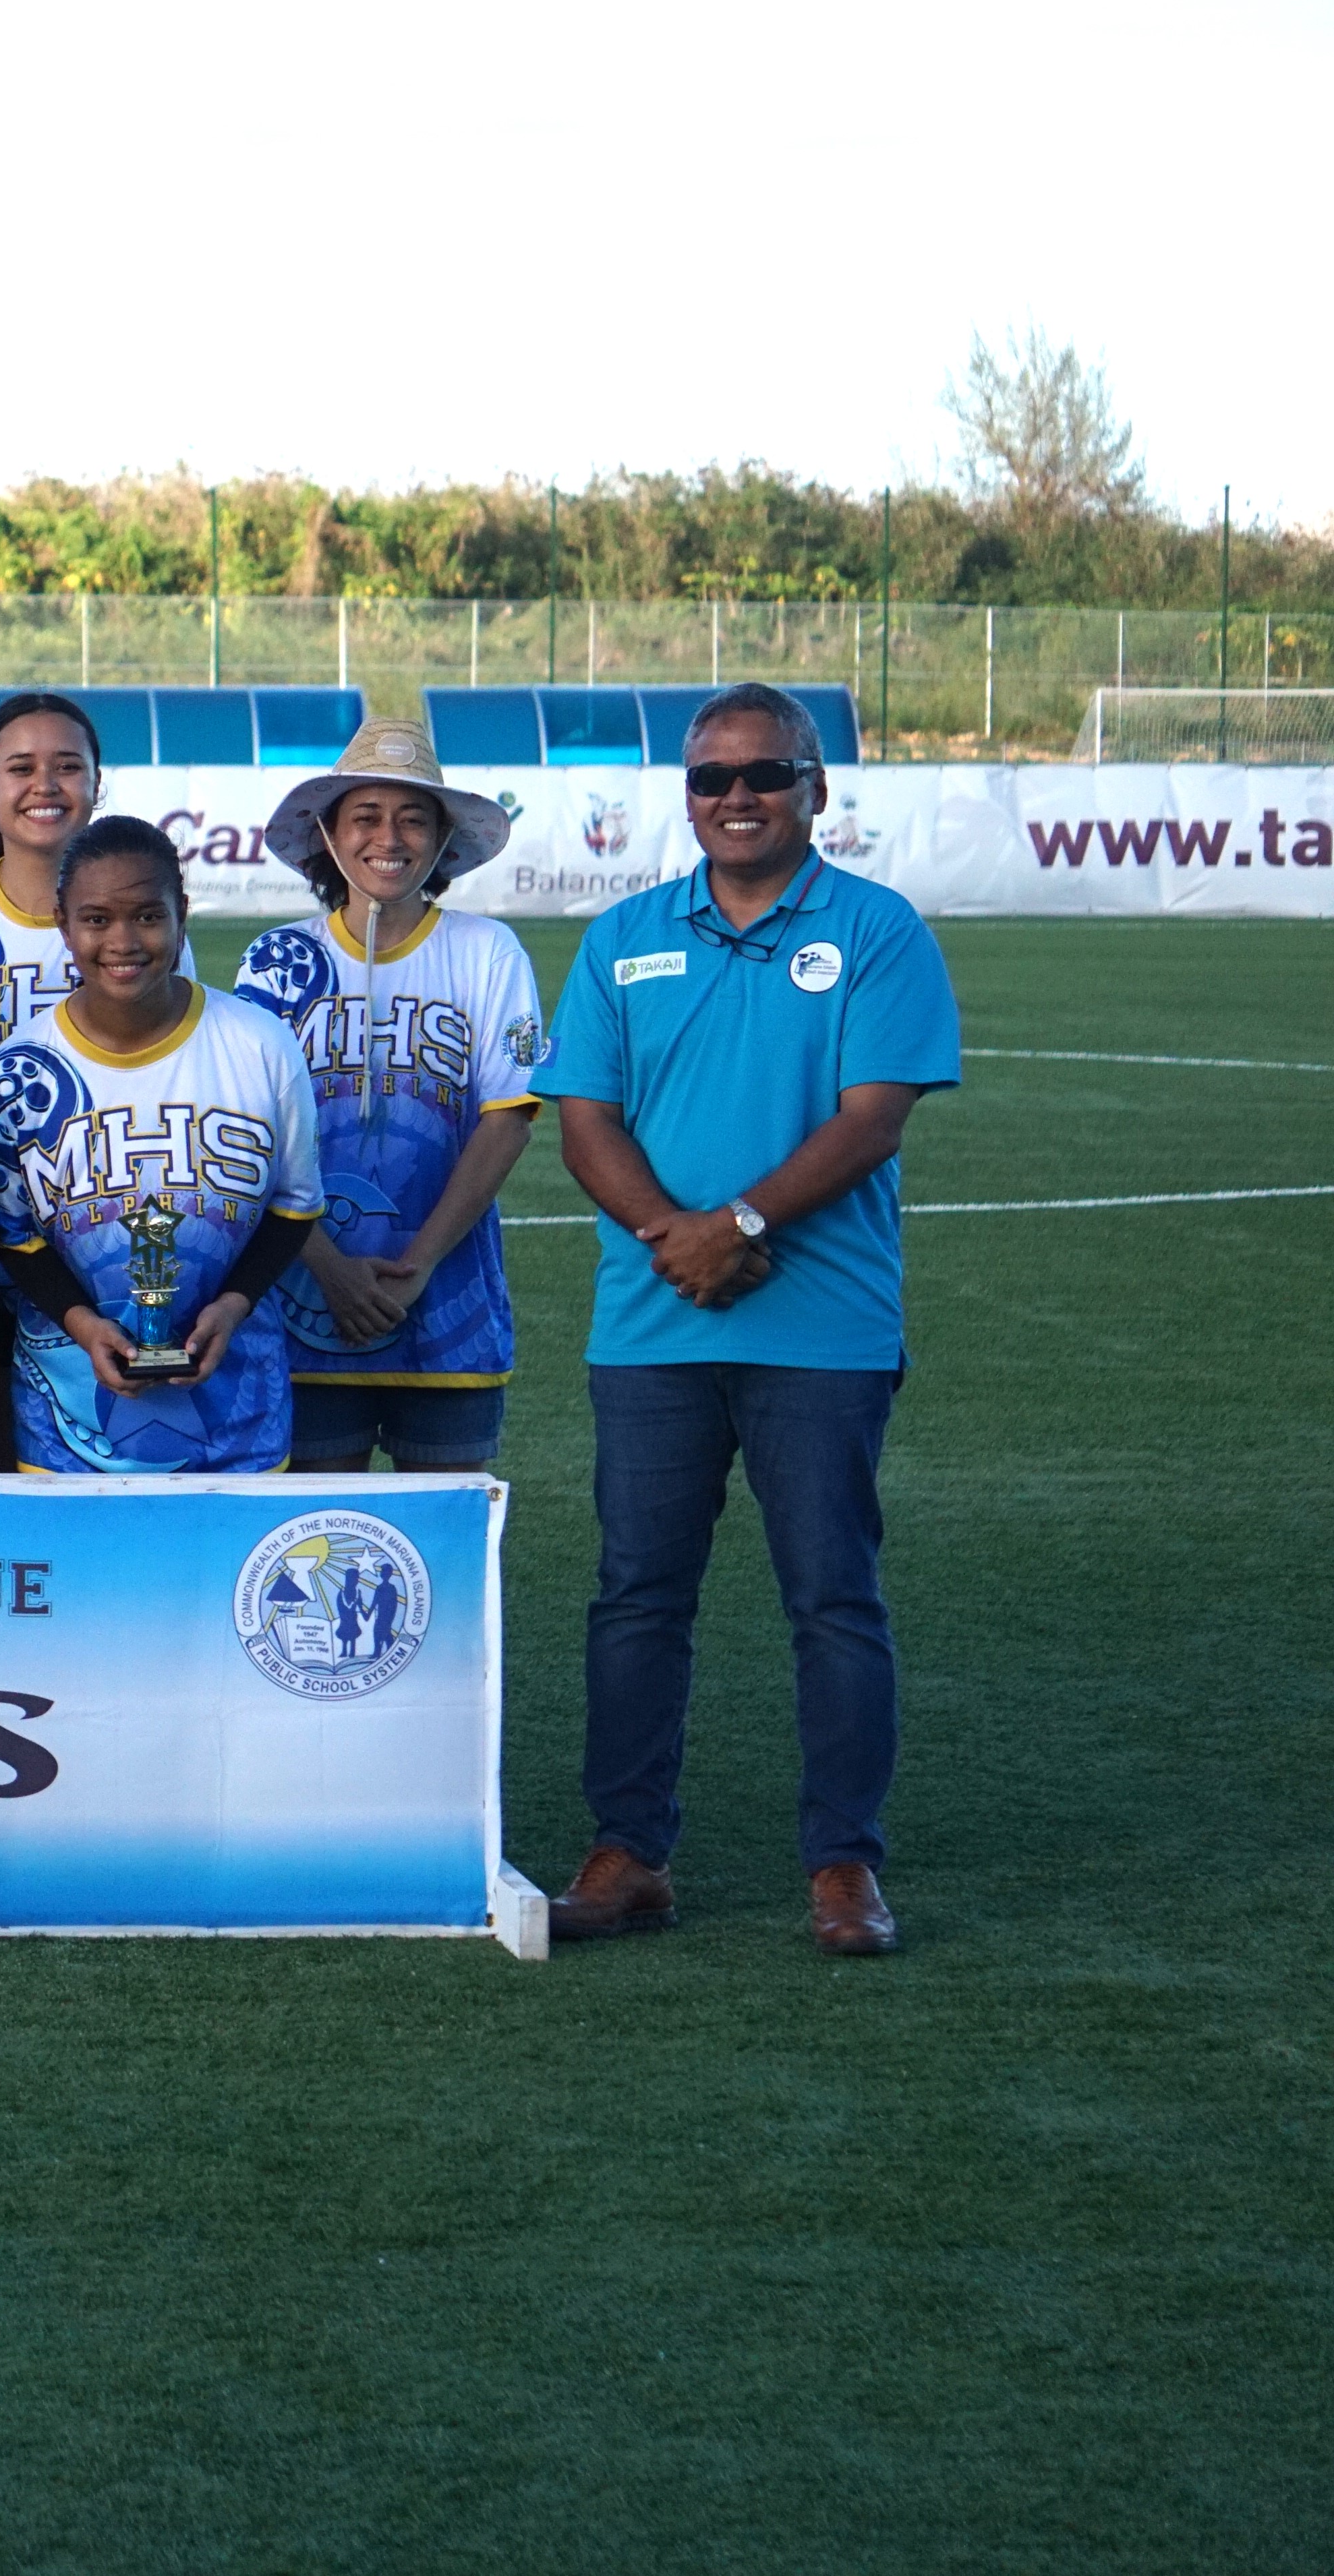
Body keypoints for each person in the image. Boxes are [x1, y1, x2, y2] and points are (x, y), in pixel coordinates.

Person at [535, 682, 962, 1959]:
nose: (736, 798)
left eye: (764, 775)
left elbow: (871, 1116)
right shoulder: (621, 937)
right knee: (634, 1601)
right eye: (712, 778)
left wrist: (747, 1228)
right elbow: (584, 1122)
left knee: (834, 1600)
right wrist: (684, 1238)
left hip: (820, 1331)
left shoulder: (879, 931)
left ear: (815, 788)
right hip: (655, 1326)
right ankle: (628, 1855)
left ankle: (844, 1866)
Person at [229, 720, 544, 1472]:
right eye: (365, 816)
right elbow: (248, 1136)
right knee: (303, 1549)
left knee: (446, 1545)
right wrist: (331, 1269)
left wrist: (422, 1264)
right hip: (302, 1302)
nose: (389, 837)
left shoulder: (485, 950)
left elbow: (508, 1121)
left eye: (413, 817)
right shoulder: (279, 958)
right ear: (328, 835)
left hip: (446, 1303)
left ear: (442, 839)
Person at [0, 816, 322, 1475]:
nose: (123, 941)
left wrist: (234, 1304)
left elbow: (295, 1205)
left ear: (181, 914)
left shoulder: (260, 1046)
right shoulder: (21, 1069)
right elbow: (14, 1234)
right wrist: (80, 1322)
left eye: (146, 916)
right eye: (97, 919)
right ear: (63, 924)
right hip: (68, 1428)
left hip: (238, 1416)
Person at [0, 690, 185, 1084]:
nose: (45, 786)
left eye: (67, 767)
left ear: (96, 782)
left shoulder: (146, 916)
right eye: (21, 769)